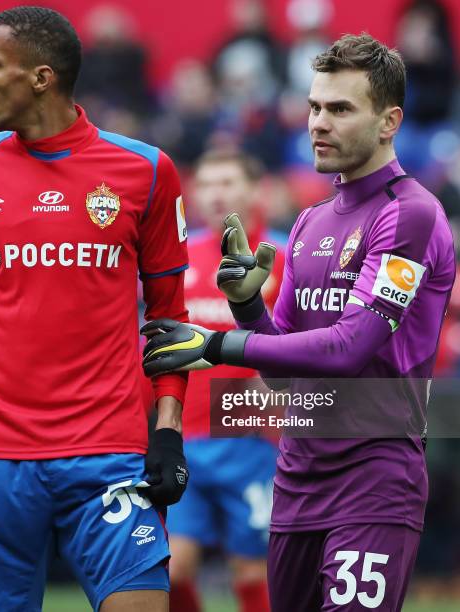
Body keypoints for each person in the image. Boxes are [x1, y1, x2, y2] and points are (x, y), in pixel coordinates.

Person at [0, 7, 191, 612]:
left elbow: (168, 318)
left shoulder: (146, 171)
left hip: (110, 452)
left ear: (41, 77)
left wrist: (167, 432)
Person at [141, 33, 456, 611]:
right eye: (314, 107)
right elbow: (282, 370)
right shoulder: (310, 220)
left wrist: (216, 342)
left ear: (390, 122)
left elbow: (351, 347)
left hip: (374, 474)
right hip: (297, 477)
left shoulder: (408, 214)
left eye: (340, 109)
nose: (319, 122)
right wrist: (247, 308)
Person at [167, 149, 284, 612]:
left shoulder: (282, 256)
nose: (216, 194)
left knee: (251, 571)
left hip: (254, 443)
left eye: (228, 182)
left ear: (257, 191)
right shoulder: (177, 258)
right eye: (208, 183)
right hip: (184, 438)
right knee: (172, 568)